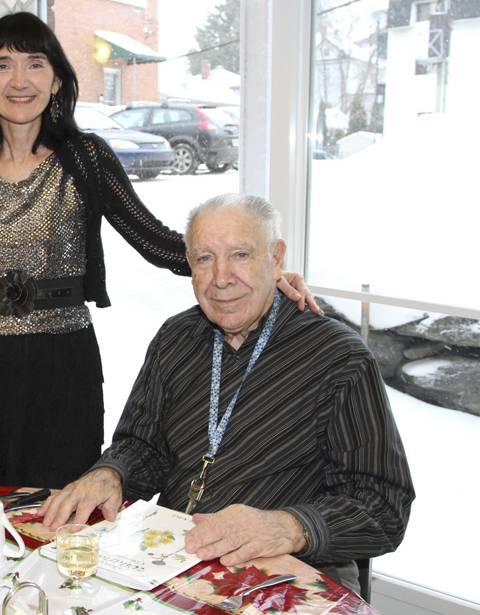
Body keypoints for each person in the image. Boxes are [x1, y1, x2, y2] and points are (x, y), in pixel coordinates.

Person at [0, 13, 315, 489]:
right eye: (3, 65)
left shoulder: (87, 158)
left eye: (34, 64)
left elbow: (154, 240)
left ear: (57, 80)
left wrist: (252, 273)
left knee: (64, 508)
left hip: (64, 368)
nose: (19, 80)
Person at [38, 193, 414, 593]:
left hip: (285, 572)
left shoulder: (338, 357)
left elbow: (383, 505)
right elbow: (141, 446)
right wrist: (111, 473)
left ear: (276, 257)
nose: (221, 277)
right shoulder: (176, 337)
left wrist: (289, 526)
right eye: (204, 258)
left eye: (240, 255)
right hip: (174, 561)